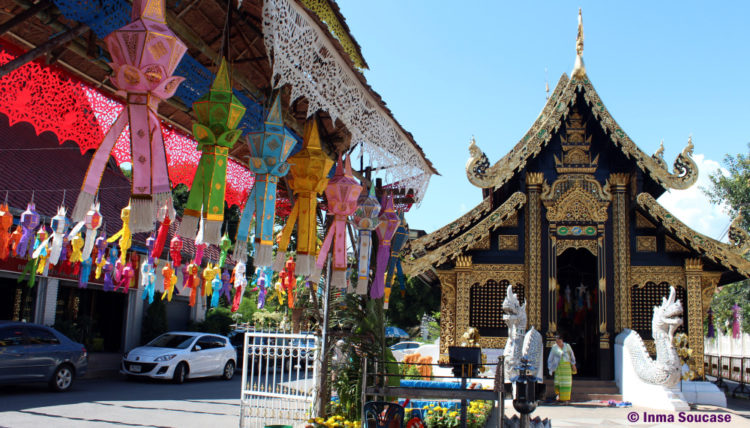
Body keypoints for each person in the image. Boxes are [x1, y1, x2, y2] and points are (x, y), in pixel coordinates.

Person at [547, 333, 577, 402]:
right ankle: (559, 397)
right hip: (558, 367)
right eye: (557, 342)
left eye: (559, 341)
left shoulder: (567, 346)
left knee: (566, 384)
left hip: (567, 368)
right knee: (558, 383)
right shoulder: (554, 348)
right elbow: (550, 358)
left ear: (562, 340)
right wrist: (551, 367)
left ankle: (565, 399)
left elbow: (571, 355)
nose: (558, 343)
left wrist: (573, 364)